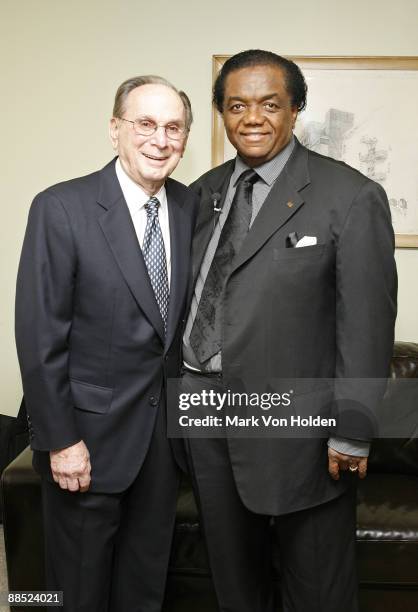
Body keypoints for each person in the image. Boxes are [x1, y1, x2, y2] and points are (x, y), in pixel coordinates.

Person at [181, 50, 397, 612]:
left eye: (270, 104)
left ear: (296, 109)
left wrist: (351, 430)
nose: (253, 118)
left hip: (300, 426)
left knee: (318, 585)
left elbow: (367, 325)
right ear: (222, 115)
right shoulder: (201, 194)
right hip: (205, 414)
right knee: (234, 581)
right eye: (237, 105)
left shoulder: (349, 196)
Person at [15, 75, 197, 612]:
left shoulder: (191, 208)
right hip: (86, 443)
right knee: (76, 590)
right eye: (145, 123)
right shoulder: (62, 208)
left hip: (164, 446)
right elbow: (39, 335)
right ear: (115, 129)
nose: (159, 140)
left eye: (173, 127)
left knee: (144, 588)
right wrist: (61, 441)